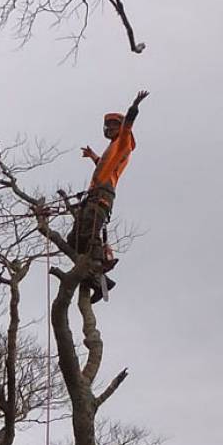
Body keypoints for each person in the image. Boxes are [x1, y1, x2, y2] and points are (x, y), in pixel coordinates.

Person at [69, 89, 149, 303]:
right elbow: (105, 167)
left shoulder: (124, 141)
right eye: (109, 126)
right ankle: (90, 274)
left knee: (89, 232)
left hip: (102, 197)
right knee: (73, 238)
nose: (111, 129)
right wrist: (93, 156)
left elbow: (128, 125)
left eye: (114, 125)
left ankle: (97, 271)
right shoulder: (111, 149)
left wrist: (134, 106)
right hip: (93, 195)